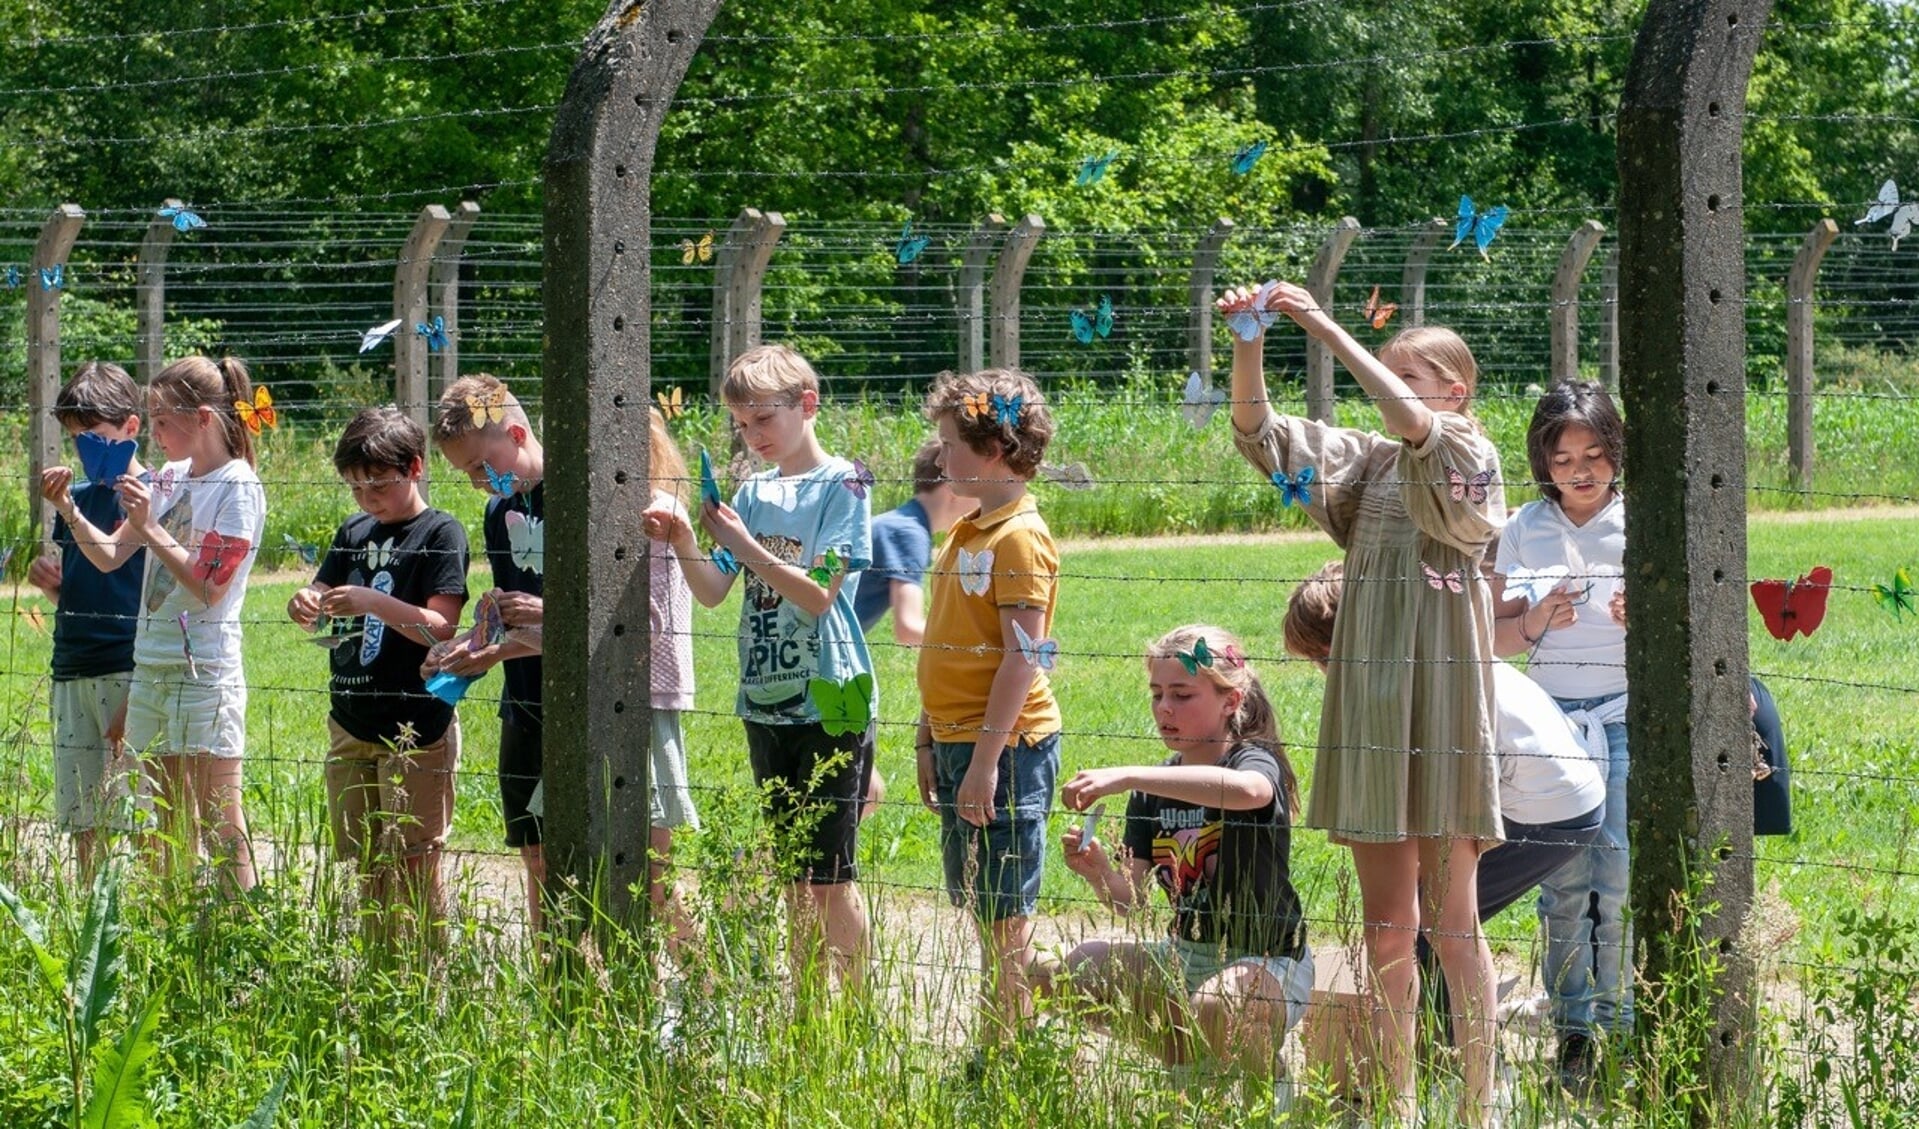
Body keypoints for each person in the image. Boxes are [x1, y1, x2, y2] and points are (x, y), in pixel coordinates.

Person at [1220, 281, 1506, 1126]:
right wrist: (1250, 337)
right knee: (1387, 929)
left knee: (1454, 927)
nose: (1387, 389)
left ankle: (1479, 1104)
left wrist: (1321, 325)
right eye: (1387, 374)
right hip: (1372, 709)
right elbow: (1259, 436)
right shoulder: (1371, 464)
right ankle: (1401, 1102)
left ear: (1454, 390)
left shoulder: (1466, 455)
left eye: (1407, 375)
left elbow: (1417, 425)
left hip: (1444, 702)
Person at [1285, 560, 1606, 1043]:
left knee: (1431, 925)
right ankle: (1451, 1041)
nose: (1327, 673)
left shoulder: (1419, 685)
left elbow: (1450, 793)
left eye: (1327, 660)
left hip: (1548, 811)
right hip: (1559, 792)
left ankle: (1446, 1047)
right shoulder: (1435, 654)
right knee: (1433, 920)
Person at [642, 344, 874, 1006]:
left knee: (830, 876)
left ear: (807, 404)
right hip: (765, 701)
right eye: (741, 427)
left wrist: (744, 546)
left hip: (832, 702)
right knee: (794, 877)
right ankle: (805, 1013)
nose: (753, 437)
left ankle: (857, 1017)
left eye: (762, 420)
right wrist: (687, 538)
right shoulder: (752, 490)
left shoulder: (845, 484)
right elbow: (715, 589)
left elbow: (821, 593)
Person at [1047, 624, 1312, 1105]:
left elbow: (1254, 793)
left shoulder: (1250, 760)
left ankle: (1268, 1101)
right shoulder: (1154, 788)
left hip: (1269, 959)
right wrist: (1098, 873)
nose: (1164, 708)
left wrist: (1126, 774)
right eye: (1156, 694)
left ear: (1230, 701)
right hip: (1188, 954)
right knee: (1074, 972)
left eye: (1182, 694)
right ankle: (1188, 1065)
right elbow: (1132, 901)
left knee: (1216, 1004)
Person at [45, 355, 268, 893]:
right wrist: (69, 511)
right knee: (158, 823)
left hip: (203, 673)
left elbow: (210, 586)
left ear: (204, 420)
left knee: (219, 820)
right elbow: (108, 557)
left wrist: (149, 526)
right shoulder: (167, 478)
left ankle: (240, 932)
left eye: (163, 421)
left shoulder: (239, 486)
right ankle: (167, 937)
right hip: (150, 669)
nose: (155, 432)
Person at [910, 367, 1062, 1072]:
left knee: (1005, 915)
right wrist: (928, 731)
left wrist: (983, 760)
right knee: (982, 905)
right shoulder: (969, 529)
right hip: (961, 740)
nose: (938, 457)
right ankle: (1004, 1039)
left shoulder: (1019, 538)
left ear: (994, 445)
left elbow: (1022, 657)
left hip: (1004, 747)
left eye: (948, 442)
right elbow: (946, 636)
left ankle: (1009, 1053)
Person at [1489, 380, 1629, 1094]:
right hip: (1550, 721)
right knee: (1563, 880)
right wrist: (1537, 620)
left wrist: (1648, 616)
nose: (1579, 469)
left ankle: (1625, 1020)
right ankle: (1574, 1027)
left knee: (1618, 867)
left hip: (1622, 714)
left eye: (1595, 453)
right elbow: (1493, 633)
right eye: (1563, 455)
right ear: (1541, 461)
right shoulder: (1523, 527)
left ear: (1616, 452)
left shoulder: (1641, 522)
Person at [286, 406, 469, 940]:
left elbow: (441, 628)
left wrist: (375, 602)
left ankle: (428, 973)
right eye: (356, 489)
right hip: (350, 722)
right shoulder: (353, 530)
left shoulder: (440, 533)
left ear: (414, 467)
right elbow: (322, 592)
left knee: (415, 860)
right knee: (365, 861)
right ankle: (376, 968)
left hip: (415, 725)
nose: (368, 500)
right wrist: (307, 600)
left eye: (378, 486)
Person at [423, 374, 549, 930]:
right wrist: (466, 647)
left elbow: (604, 623)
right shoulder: (499, 511)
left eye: (480, 466)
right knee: (536, 856)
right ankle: (556, 984)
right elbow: (507, 615)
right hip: (522, 704)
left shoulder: (578, 499)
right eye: (464, 473)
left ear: (517, 433)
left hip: (586, 706)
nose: (476, 482)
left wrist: (497, 650)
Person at [28, 361, 149, 876]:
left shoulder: (153, 497)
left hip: (129, 665)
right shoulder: (74, 497)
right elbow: (90, 582)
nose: (86, 451)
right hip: (72, 663)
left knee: (142, 815)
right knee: (84, 819)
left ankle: (145, 920)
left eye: (96, 437)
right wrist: (56, 587)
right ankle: (91, 921)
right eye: (77, 440)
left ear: (131, 428)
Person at [851, 438, 968, 820]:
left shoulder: (899, 522)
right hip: (822, 663)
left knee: (856, 789)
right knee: (862, 791)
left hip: (813, 654)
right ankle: (795, 869)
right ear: (952, 484)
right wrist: (974, 644)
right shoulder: (908, 533)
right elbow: (909, 626)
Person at [636, 406, 702, 957]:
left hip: (649, 697)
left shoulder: (658, 513)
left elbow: (650, 622)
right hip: (610, 691)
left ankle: (705, 984)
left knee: (654, 868)